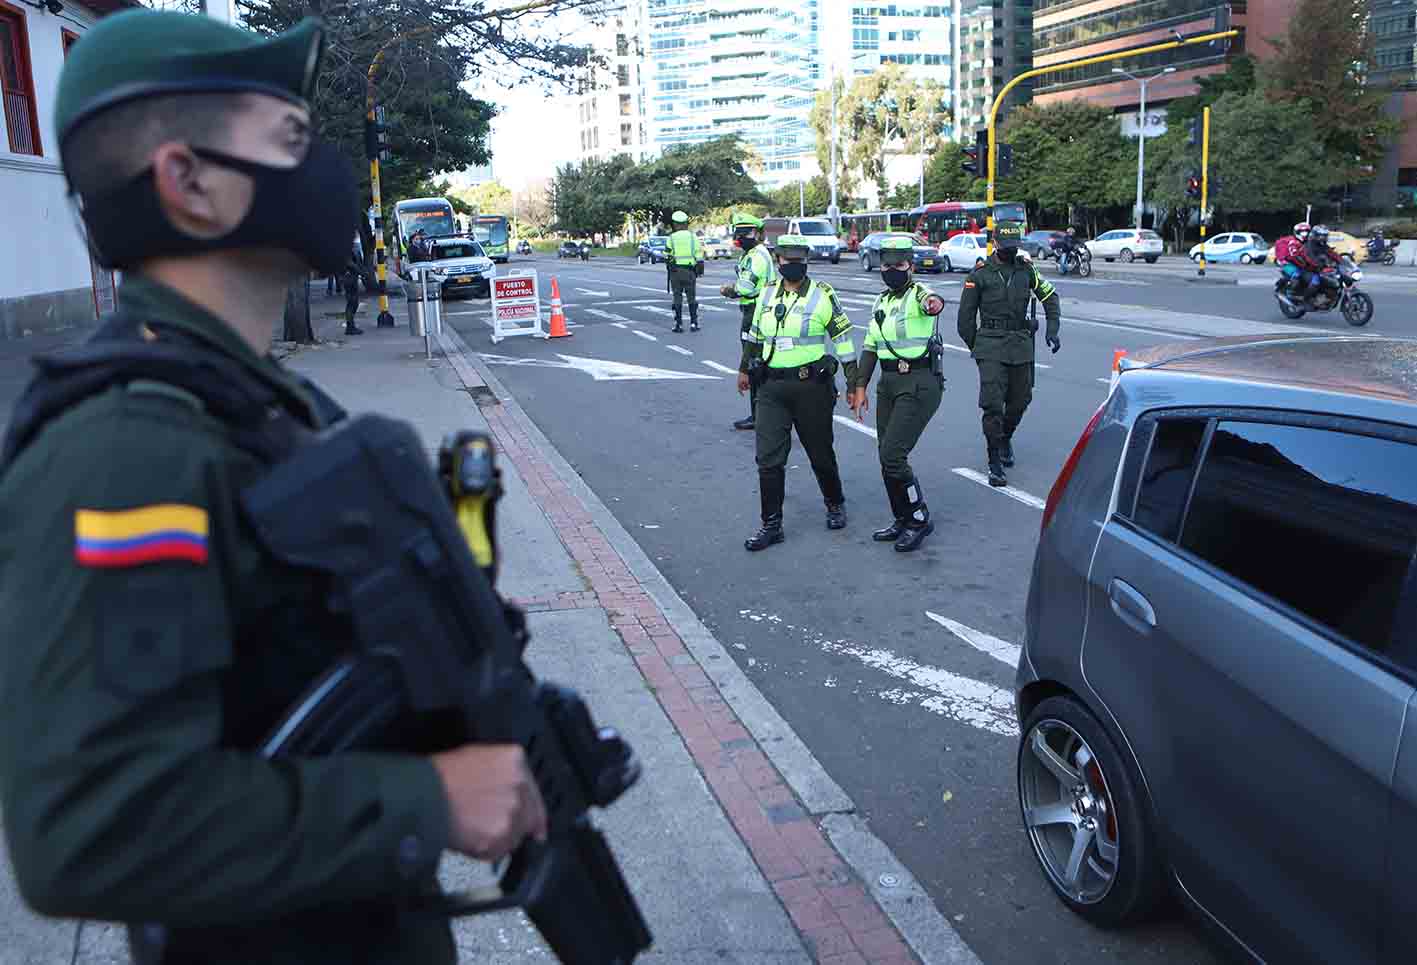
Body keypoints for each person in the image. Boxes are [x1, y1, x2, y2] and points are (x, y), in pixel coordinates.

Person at [0, 11, 546, 963]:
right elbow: (92, 824)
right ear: (189, 182)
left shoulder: (251, 396)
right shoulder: (129, 447)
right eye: (292, 140)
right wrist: (431, 800)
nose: (324, 170)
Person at [737, 234, 858, 551]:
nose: (794, 267)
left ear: (806, 262)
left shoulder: (822, 295)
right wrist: (743, 370)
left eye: (799, 262)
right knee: (768, 458)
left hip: (811, 388)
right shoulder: (765, 296)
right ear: (778, 262)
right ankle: (771, 524)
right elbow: (755, 336)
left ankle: (834, 502)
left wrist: (853, 381)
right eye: (788, 262)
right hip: (771, 387)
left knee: (820, 451)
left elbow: (842, 337)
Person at [848, 236, 947, 552]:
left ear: (911, 267)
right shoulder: (881, 301)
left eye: (899, 265)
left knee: (893, 454)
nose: (892, 271)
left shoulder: (918, 293)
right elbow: (870, 347)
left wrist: (935, 304)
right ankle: (902, 518)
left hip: (919, 383)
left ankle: (919, 519)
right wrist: (859, 387)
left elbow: (932, 300)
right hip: (889, 384)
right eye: (887, 266)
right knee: (885, 456)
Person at [957, 224, 1062, 488]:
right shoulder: (979, 274)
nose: (1010, 251)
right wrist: (978, 348)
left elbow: (1050, 296)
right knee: (992, 404)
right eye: (1006, 247)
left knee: (1020, 400)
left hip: (1020, 344)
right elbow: (965, 320)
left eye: (1014, 246)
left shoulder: (1026, 269)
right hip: (990, 346)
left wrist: (1052, 329)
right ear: (995, 243)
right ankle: (994, 461)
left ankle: (1005, 437)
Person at [720, 212, 776, 431]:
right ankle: (760, 413)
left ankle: (759, 415)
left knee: (754, 363)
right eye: (739, 232)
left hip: (756, 311)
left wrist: (728, 290)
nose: (741, 237)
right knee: (757, 362)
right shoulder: (753, 253)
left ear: (757, 233)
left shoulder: (756, 256)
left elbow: (746, 288)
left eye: (746, 233)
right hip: (757, 309)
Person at [666, 209, 704, 333]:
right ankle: (694, 323)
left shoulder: (671, 238)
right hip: (690, 271)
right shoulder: (693, 237)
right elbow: (699, 254)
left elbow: (667, 254)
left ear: (675, 224)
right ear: (685, 223)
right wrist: (699, 268)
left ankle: (678, 324)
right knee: (691, 298)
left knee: (677, 297)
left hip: (676, 272)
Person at [1273, 222, 1310, 300]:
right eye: (1302, 232)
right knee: (1297, 274)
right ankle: (1290, 292)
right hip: (1287, 262)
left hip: (1301, 262)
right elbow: (1292, 256)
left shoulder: (1309, 242)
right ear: (1297, 232)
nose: (1305, 234)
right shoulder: (1292, 242)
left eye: (1306, 231)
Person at [342, 242, 364, 336]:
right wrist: (361, 272)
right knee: (352, 302)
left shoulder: (351, 247)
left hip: (352, 278)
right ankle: (350, 327)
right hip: (349, 278)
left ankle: (351, 325)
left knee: (354, 303)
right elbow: (350, 263)